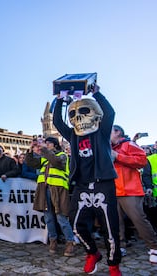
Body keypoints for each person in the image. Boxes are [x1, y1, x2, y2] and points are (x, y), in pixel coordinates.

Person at [53, 84, 122, 275]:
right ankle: (92, 252)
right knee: (76, 224)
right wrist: (59, 100)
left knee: (110, 229)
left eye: (84, 112)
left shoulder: (101, 131)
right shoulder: (73, 135)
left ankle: (113, 264)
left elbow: (110, 112)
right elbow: (58, 122)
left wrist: (96, 93)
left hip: (103, 183)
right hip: (82, 185)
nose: (78, 118)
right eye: (74, 114)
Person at [110, 125, 157, 263]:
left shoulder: (129, 144)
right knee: (115, 221)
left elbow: (142, 161)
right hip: (114, 190)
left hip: (130, 190)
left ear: (118, 132)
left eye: (110, 131)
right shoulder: (109, 148)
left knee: (139, 219)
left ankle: (154, 247)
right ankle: (121, 245)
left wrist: (118, 156)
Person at [25, 136, 75, 257]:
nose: (46, 145)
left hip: (58, 189)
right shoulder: (45, 158)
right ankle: (53, 241)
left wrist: (44, 151)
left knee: (61, 218)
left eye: (49, 143)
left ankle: (70, 242)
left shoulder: (62, 155)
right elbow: (30, 162)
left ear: (55, 145)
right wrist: (31, 150)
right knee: (48, 218)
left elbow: (57, 163)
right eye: (45, 143)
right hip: (44, 189)